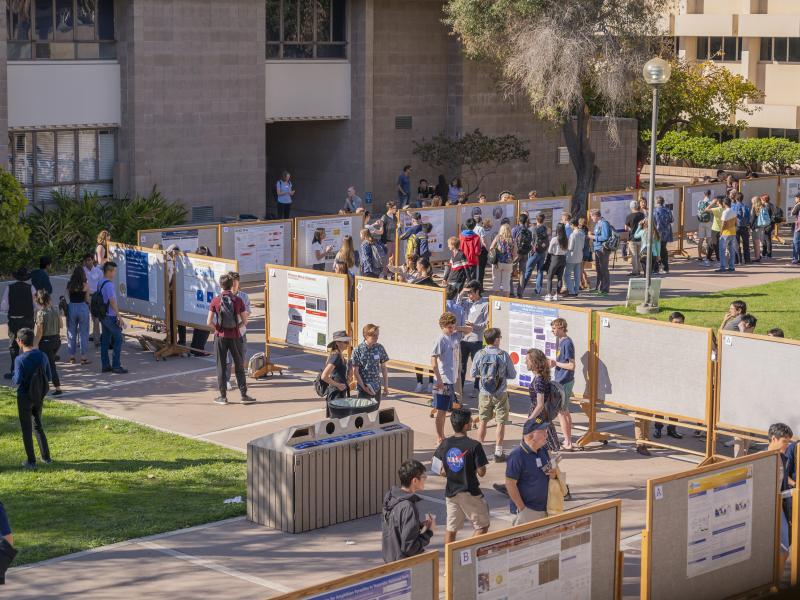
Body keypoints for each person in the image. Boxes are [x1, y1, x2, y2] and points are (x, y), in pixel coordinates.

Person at [433, 408, 490, 543]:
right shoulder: (474, 446)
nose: (471, 422)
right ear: (465, 425)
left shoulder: (445, 444)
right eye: (470, 420)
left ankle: (450, 560)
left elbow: (438, 469)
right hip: (469, 491)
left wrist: (450, 469)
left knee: (451, 529)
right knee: (482, 527)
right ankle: (465, 552)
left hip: (451, 492)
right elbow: (482, 472)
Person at [207, 273, 254, 405]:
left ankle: (223, 397)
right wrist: (236, 328)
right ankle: (244, 395)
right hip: (235, 337)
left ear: (220, 285)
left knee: (221, 366)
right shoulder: (238, 300)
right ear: (232, 284)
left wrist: (218, 329)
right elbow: (245, 321)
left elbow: (208, 321)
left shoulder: (216, 300)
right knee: (239, 365)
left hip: (220, 337)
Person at [472, 327, 516, 462]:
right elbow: (512, 374)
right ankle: (498, 451)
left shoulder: (479, 354)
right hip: (500, 392)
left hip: (484, 392)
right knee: (501, 422)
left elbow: (473, 373)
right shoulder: (503, 355)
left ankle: (478, 451)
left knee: (483, 421)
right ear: (496, 339)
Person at [12, 327, 52, 469]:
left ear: (20, 341)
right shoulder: (43, 356)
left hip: (24, 396)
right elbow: (49, 376)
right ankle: (46, 457)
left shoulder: (20, 359)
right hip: (38, 395)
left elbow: (16, 380)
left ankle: (31, 461)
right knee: (38, 425)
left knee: (26, 429)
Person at [381, 460, 434, 563]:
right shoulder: (408, 507)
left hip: (389, 557)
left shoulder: (391, 497)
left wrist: (418, 525)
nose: (425, 480)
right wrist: (428, 532)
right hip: (402, 565)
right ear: (414, 481)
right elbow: (410, 547)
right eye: (424, 477)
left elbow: (396, 525)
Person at [505, 418, 555, 525]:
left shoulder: (544, 451)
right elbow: (510, 484)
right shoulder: (517, 455)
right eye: (543, 432)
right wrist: (522, 509)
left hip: (545, 509)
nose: (546, 435)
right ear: (531, 435)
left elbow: (554, 473)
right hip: (527, 511)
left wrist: (553, 473)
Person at [431, 313, 471, 443]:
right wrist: (439, 380)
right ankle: (439, 437)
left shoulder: (454, 335)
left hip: (452, 380)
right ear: (442, 326)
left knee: (448, 410)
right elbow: (433, 361)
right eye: (448, 327)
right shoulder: (440, 340)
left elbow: (469, 330)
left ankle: (442, 435)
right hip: (443, 380)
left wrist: (456, 328)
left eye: (452, 326)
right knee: (441, 411)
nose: (451, 329)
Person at [1, 267, 36, 379]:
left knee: (13, 346)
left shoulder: (9, 288)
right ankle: (30, 370)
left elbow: (4, 306)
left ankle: (15, 371)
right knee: (28, 345)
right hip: (27, 319)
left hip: (14, 320)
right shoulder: (31, 288)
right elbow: (37, 305)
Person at [457, 280, 489, 399]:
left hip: (476, 339)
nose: (469, 295)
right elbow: (457, 304)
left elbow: (486, 323)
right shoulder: (467, 302)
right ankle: (461, 387)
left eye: (470, 292)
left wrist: (473, 326)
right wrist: (461, 293)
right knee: (462, 364)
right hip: (464, 339)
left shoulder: (485, 304)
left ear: (477, 291)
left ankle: (476, 388)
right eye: (467, 292)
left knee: (477, 365)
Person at [96, 262, 128, 374]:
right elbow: (112, 301)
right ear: (109, 271)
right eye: (114, 271)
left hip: (103, 315)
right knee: (118, 339)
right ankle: (116, 365)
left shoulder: (100, 282)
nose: (115, 273)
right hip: (110, 316)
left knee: (105, 340)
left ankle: (105, 365)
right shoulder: (109, 285)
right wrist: (119, 316)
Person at [350, 323, 390, 406]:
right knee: (363, 415)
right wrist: (364, 387)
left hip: (376, 388)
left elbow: (384, 368)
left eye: (377, 335)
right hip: (364, 389)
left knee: (374, 413)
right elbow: (355, 372)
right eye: (374, 336)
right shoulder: (358, 350)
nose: (377, 337)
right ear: (366, 336)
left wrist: (386, 386)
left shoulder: (379, 348)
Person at [33, 290, 63, 396]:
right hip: (57, 341)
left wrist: (35, 344)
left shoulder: (40, 313)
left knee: (50, 365)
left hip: (46, 342)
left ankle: (57, 387)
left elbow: (39, 332)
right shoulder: (55, 310)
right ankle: (45, 385)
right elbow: (61, 325)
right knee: (48, 363)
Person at [517, 213, 548, 298]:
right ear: (543, 220)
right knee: (540, 271)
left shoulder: (532, 228)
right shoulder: (545, 229)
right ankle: (538, 290)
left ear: (536, 219)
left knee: (527, 270)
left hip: (534, 253)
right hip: (542, 252)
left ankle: (521, 289)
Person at [320, 330, 351, 416]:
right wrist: (338, 385)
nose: (347, 344)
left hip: (339, 393)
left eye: (347, 341)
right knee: (338, 421)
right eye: (345, 342)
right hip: (336, 394)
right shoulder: (336, 356)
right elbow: (324, 376)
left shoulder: (339, 354)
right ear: (337, 343)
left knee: (341, 421)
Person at [66, 266, 91, 365]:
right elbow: (87, 299)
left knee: (71, 332)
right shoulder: (86, 285)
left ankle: (72, 357)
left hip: (72, 307)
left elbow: (68, 297)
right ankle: (83, 357)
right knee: (84, 332)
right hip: (82, 307)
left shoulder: (70, 285)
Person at [589, 209, 612, 295]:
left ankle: (605, 289)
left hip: (603, 249)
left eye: (592, 216)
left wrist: (593, 237)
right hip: (598, 249)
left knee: (604, 269)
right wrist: (593, 235)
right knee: (598, 269)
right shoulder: (598, 224)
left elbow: (605, 237)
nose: (591, 218)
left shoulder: (604, 223)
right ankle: (599, 287)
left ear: (596, 216)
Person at [489, 223, 516, 297]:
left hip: (498, 263)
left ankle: (494, 300)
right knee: (506, 284)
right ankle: (505, 301)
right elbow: (515, 253)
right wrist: (511, 260)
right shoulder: (512, 240)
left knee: (496, 282)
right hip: (508, 264)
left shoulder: (498, 237)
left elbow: (491, 248)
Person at [711, 197, 737, 272]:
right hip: (733, 232)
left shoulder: (725, 212)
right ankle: (731, 267)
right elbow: (736, 223)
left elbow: (723, 224)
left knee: (722, 251)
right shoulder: (733, 211)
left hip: (725, 233)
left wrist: (721, 232)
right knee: (731, 250)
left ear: (724, 204)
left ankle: (722, 267)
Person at [82, 253, 103, 344]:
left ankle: (97, 340)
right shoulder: (82, 271)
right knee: (84, 319)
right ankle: (83, 339)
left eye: (89, 260)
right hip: (85, 297)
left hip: (96, 297)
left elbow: (102, 285)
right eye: (86, 260)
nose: (88, 262)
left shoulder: (98, 272)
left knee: (96, 319)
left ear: (92, 260)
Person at [544, 223, 568, 302]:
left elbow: (550, 250)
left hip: (555, 258)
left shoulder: (555, 239)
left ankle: (549, 294)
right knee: (559, 277)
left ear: (557, 229)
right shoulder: (566, 238)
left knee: (550, 277)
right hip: (563, 258)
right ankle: (557, 294)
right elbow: (566, 250)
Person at [512, 213, 533, 292]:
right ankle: (520, 292)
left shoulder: (515, 229)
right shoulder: (529, 231)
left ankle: (511, 292)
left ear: (518, 220)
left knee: (510, 271)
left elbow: (512, 241)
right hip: (525, 253)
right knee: (522, 272)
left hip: (516, 253)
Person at [564, 219, 585, 297]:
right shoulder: (582, 233)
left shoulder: (573, 235)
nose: (570, 226)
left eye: (570, 225)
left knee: (567, 274)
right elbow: (582, 246)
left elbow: (570, 247)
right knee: (577, 274)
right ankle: (576, 290)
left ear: (572, 225)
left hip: (572, 257)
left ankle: (571, 291)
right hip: (579, 256)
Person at [653, 197, 673, 273]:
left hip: (657, 233)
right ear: (663, 202)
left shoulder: (654, 211)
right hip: (666, 233)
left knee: (656, 251)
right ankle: (665, 267)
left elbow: (652, 222)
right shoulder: (667, 210)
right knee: (663, 249)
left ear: (656, 202)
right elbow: (671, 219)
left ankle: (657, 268)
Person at [459, 218, 482, 282]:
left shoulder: (461, 236)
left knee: (462, 280)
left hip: (462, 261)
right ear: (474, 226)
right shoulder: (476, 237)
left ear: (466, 225)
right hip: (472, 261)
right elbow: (477, 252)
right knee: (472, 281)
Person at [625, 201, 645, 276]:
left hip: (632, 238)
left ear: (631, 207)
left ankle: (635, 271)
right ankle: (639, 269)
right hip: (641, 237)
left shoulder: (629, 216)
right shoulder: (642, 215)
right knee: (639, 255)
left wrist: (632, 229)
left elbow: (626, 227)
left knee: (634, 255)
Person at [696, 190, 714, 265]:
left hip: (701, 222)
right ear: (710, 194)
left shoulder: (700, 202)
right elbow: (712, 212)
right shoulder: (710, 202)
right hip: (709, 222)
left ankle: (699, 256)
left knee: (700, 240)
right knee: (709, 239)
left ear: (704, 194)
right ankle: (708, 256)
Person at [733, 192, 751, 264]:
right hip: (745, 227)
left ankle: (737, 260)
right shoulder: (746, 207)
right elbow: (749, 217)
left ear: (735, 198)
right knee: (746, 244)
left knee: (736, 244)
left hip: (736, 226)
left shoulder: (734, 207)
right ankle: (747, 260)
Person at [750, 196, 765, 262]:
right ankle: (759, 255)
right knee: (758, 241)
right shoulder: (762, 207)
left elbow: (752, 218)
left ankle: (757, 257)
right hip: (761, 226)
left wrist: (750, 226)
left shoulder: (754, 208)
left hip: (756, 227)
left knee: (756, 242)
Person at [790, 193, 800, 265]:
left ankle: (795, 258)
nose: (795, 199)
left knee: (796, 242)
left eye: (796, 198)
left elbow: (792, 213)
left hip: (798, 227)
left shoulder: (798, 205)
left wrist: (796, 205)